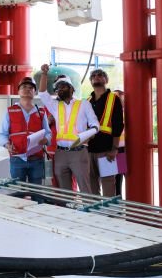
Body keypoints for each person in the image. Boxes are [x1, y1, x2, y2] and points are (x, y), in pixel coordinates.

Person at [38, 64, 99, 193]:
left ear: (71, 88)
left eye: (63, 86)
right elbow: (42, 93)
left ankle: (87, 207)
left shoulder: (84, 104)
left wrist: (89, 135)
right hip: (60, 153)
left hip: (79, 152)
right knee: (64, 191)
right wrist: (44, 74)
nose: (60, 89)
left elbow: (95, 125)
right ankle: (68, 206)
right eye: (58, 88)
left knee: (84, 188)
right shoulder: (55, 105)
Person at [0, 77, 51, 184]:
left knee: (36, 191)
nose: (27, 89)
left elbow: (48, 133)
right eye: (24, 87)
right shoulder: (10, 111)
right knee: (18, 191)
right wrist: (7, 145)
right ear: (18, 91)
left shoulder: (41, 112)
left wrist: (45, 139)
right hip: (17, 159)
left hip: (37, 160)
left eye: (31, 88)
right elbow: (2, 134)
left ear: (35, 92)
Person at [86, 69, 124, 197]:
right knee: (91, 185)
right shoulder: (88, 100)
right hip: (89, 150)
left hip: (107, 150)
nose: (96, 77)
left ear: (106, 80)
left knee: (108, 185)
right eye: (93, 76)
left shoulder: (114, 98)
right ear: (91, 81)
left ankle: (109, 210)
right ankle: (95, 210)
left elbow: (118, 125)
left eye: (100, 75)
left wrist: (114, 148)